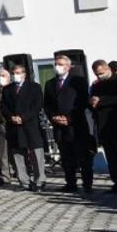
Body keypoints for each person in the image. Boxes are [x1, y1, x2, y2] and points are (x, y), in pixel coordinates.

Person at [44, 54, 93, 193]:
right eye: (56, 64)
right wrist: (54, 117)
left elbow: (82, 102)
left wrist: (69, 118)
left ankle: (87, 184)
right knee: (66, 157)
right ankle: (70, 183)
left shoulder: (78, 81)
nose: (57, 67)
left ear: (68, 66)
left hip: (76, 125)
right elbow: (46, 104)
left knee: (82, 156)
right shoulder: (50, 83)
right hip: (59, 126)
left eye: (60, 64)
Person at [89, 60, 117, 194]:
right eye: (97, 74)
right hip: (103, 125)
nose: (99, 76)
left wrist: (101, 101)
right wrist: (92, 102)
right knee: (111, 156)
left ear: (108, 68)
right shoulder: (97, 85)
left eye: (101, 73)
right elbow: (92, 101)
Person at [2, 65, 46, 191]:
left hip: (30, 124)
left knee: (36, 153)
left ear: (24, 74)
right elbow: (4, 107)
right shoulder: (7, 89)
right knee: (18, 154)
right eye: (13, 73)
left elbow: (37, 105)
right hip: (14, 126)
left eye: (18, 73)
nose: (15, 75)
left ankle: (40, 180)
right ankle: (24, 181)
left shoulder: (34, 87)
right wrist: (12, 117)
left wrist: (23, 117)